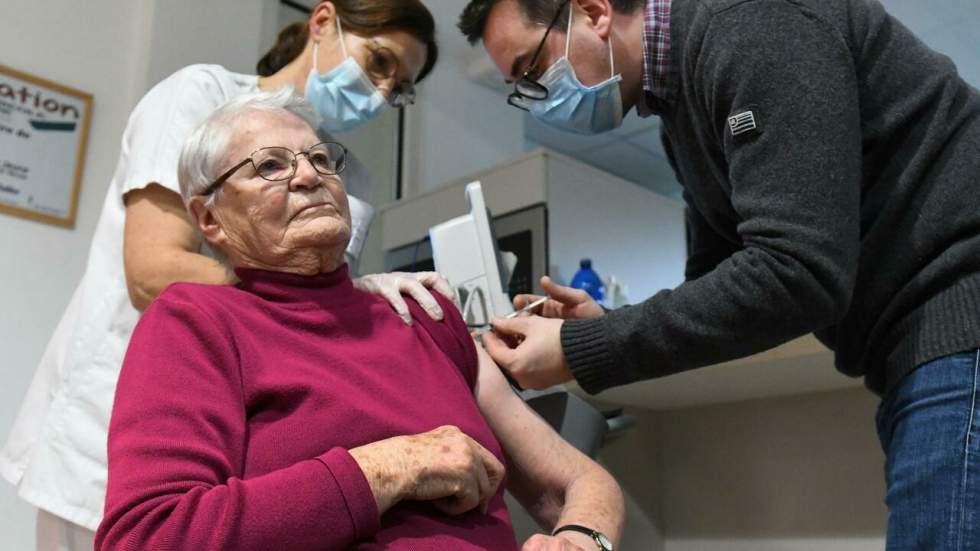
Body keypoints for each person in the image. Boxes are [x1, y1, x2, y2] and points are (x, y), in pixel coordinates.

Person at [458, 0, 980, 548]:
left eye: (533, 70)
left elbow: (799, 272)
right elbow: (722, 278)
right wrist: (604, 324)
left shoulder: (754, 22)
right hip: (913, 347)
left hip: (957, 308)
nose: (538, 100)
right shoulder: (678, 110)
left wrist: (584, 346)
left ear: (593, 12)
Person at [1, 2, 452, 548]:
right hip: (117, 432)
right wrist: (314, 302)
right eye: (378, 62)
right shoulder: (201, 97)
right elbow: (154, 269)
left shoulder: (349, 172)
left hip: (247, 461)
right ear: (323, 22)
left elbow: (321, 314)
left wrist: (362, 294)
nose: (381, 93)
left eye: (399, 87)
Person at [94, 89, 625, 551]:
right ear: (210, 218)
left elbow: (576, 483)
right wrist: (389, 467)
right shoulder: (197, 323)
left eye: (321, 159)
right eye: (270, 166)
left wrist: (584, 539)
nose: (309, 176)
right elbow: (148, 536)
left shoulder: (426, 319)